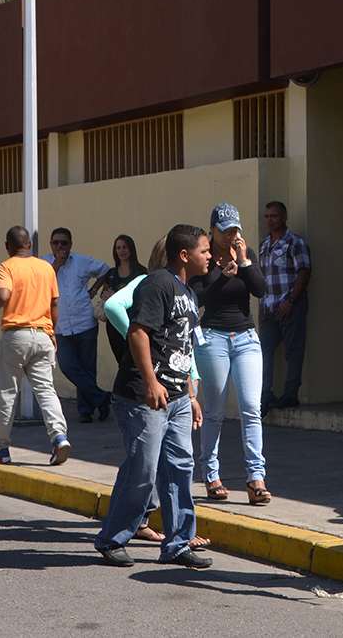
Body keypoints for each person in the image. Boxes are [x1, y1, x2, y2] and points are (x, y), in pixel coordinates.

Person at [94, 224, 211, 569]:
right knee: (142, 470)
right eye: (204, 251)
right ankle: (111, 538)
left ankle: (178, 543)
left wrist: (190, 394)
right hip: (142, 398)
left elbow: (184, 349)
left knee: (179, 469)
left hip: (176, 399)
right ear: (185, 255)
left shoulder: (188, 292)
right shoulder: (157, 284)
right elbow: (138, 332)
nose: (210, 256)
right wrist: (150, 382)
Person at [191, 203, 270, 505]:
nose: (229, 235)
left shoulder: (244, 255)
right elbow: (199, 297)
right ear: (212, 229)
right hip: (213, 338)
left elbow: (261, 290)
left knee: (251, 408)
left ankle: (256, 479)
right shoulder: (205, 259)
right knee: (215, 410)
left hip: (247, 338)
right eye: (224, 230)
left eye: (234, 229)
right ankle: (211, 475)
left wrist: (246, 262)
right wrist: (223, 275)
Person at [0, 226, 70, 466]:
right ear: (29, 246)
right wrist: (52, 331)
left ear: (7, 247)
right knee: (46, 390)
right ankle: (58, 436)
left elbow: (3, 295)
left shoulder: (7, 266)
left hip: (15, 336)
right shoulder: (46, 267)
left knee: (7, 393)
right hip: (43, 336)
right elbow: (54, 304)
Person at [44, 228, 112, 424]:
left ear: (70, 245)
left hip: (84, 321)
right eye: (56, 242)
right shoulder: (44, 263)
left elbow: (105, 270)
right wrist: (57, 264)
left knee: (87, 368)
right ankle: (102, 398)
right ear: (51, 244)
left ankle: (85, 411)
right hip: (60, 326)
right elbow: (44, 283)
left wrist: (93, 290)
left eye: (64, 243)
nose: (60, 246)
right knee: (67, 366)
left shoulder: (82, 261)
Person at [258, 201, 312, 415]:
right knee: (263, 352)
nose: (270, 220)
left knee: (293, 352)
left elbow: (304, 272)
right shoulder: (264, 245)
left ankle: (291, 394)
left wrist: (291, 300)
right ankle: (264, 395)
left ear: (284, 217)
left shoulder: (295, 243)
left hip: (290, 306)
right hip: (269, 310)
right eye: (267, 216)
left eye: (274, 216)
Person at [101, 234, 148, 365]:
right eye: (118, 248)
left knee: (136, 358)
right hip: (114, 324)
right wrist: (107, 296)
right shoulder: (111, 274)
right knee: (121, 361)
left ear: (131, 249)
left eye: (124, 247)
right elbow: (103, 294)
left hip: (135, 321)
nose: (121, 251)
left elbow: (146, 296)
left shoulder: (141, 272)